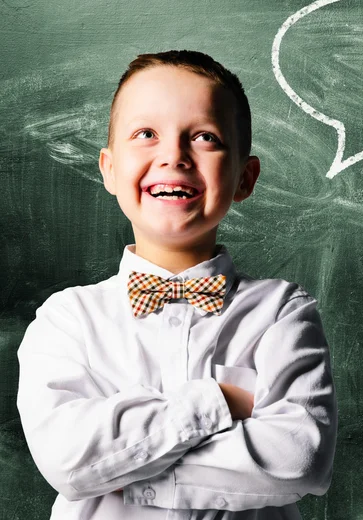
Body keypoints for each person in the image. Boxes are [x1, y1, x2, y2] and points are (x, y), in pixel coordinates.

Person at [16, 50, 338, 519]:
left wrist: (120, 468)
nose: (173, 156)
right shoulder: (66, 320)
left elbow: (300, 459)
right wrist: (217, 402)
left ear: (244, 178)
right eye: (146, 134)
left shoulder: (282, 312)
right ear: (108, 169)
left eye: (205, 137)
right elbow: (66, 463)